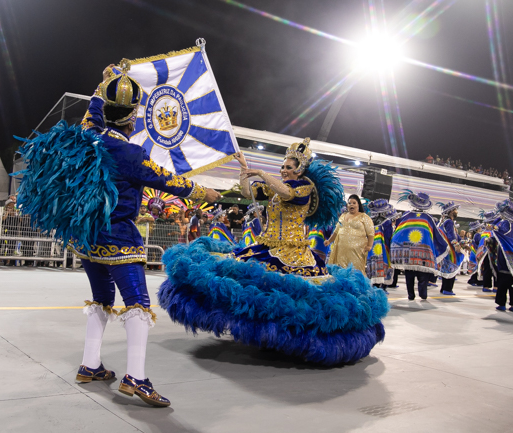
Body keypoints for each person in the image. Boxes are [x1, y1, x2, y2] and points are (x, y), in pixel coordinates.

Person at [17, 62, 221, 407]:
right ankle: (136, 378)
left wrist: (105, 81)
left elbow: (92, 108)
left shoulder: (89, 134)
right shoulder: (129, 152)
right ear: (130, 118)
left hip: (87, 238)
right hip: (120, 240)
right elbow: (168, 180)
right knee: (138, 305)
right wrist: (205, 193)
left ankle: (90, 365)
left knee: (102, 300)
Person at [158, 139, 389, 366]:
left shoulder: (304, 188)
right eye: (283, 167)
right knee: (241, 273)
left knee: (286, 291)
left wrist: (260, 171)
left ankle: (287, 338)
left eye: (289, 167)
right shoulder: (276, 188)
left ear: (300, 170)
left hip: (293, 252)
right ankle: (258, 331)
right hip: (268, 245)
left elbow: (287, 193)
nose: (284, 170)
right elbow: (248, 190)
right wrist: (244, 167)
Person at [390, 191, 449, 301]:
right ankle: (423, 294)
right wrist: (444, 245)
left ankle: (411, 295)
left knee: (409, 276)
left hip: (408, 253)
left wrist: (396, 244)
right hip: (424, 252)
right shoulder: (428, 218)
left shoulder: (406, 216)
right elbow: (436, 234)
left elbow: (398, 231)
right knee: (423, 276)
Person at [325, 195, 375, 275]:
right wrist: (329, 241)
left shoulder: (364, 217)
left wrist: (369, 245)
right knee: (341, 272)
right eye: (349, 203)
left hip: (357, 252)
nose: (351, 205)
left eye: (354, 203)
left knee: (355, 273)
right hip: (341, 251)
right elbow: (336, 232)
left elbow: (371, 233)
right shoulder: (343, 216)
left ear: (358, 204)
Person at [365, 200, 396, 290]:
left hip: (369, 249)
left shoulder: (369, 221)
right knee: (382, 272)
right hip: (382, 250)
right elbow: (388, 237)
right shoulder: (386, 222)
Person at [437, 201, 464, 296]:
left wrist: (463, 243)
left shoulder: (448, 221)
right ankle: (447, 289)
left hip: (449, 249)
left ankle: (444, 288)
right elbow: (451, 236)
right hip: (451, 250)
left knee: (447, 268)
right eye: (455, 210)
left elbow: (456, 236)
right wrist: (456, 245)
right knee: (450, 268)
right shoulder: (449, 222)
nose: (457, 211)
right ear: (451, 211)